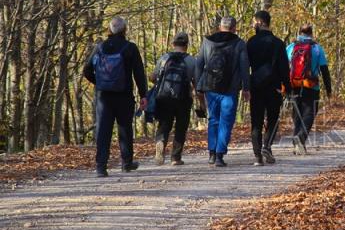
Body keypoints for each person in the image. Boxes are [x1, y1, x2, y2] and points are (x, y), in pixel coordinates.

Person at [82, 16, 148, 177]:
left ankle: (101, 167)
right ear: (124, 30)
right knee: (125, 128)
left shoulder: (100, 47)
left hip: (103, 96)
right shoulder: (130, 48)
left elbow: (86, 70)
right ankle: (126, 163)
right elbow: (139, 73)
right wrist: (143, 95)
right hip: (123, 94)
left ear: (109, 30)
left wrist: (99, 82)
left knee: (103, 130)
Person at [195, 16, 250, 167]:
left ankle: (212, 153)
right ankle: (219, 155)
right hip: (230, 89)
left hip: (210, 87)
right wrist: (246, 88)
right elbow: (245, 67)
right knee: (226, 121)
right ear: (234, 28)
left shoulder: (207, 41)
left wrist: (198, 87)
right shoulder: (239, 44)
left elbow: (199, 64)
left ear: (220, 27)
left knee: (213, 119)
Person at [247, 10, 290, 165]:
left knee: (256, 121)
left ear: (260, 22)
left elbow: (245, 66)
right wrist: (288, 87)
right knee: (273, 119)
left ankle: (257, 155)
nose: (252, 25)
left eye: (253, 22)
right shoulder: (278, 43)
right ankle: (267, 145)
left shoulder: (250, 42)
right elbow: (285, 68)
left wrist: (246, 86)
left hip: (256, 87)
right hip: (274, 87)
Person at [150, 32, 197, 166]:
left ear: (173, 43)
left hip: (164, 97)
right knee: (181, 127)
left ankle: (160, 142)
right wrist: (201, 101)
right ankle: (175, 158)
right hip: (183, 98)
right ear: (186, 45)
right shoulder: (191, 61)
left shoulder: (164, 58)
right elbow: (196, 83)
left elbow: (153, 77)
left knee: (164, 124)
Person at [286, 24, 332, 155]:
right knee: (309, 114)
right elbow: (324, 70)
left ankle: (297, 145)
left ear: (299, 32)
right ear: (312, 33)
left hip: (294, 85)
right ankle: (300, 137)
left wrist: (284, 86)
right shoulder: (317, 49)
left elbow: (283, 67)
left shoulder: (291, 47)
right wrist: (329, 89)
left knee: (297, 114)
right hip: (311, 86)